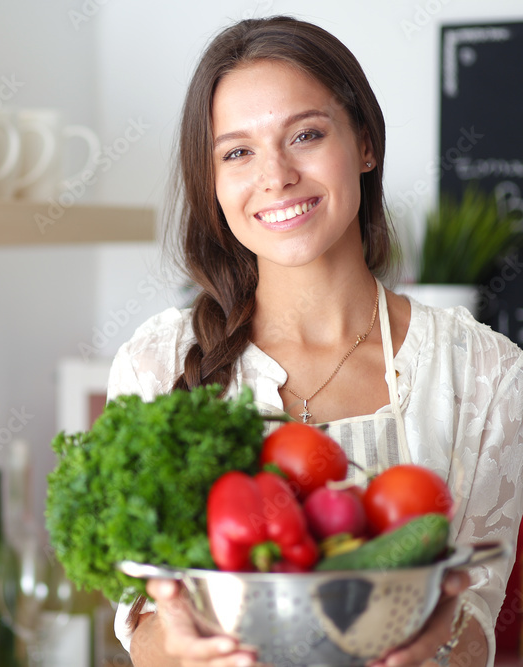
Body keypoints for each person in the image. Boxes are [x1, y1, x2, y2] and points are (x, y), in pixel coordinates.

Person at [106, 15, 523, 667]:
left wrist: (443, 642)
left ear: (363, 143)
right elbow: (143, 624)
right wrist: (182, 652)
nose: (275, 176)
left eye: (305, 134)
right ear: (212, 183)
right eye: (237, 151)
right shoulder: (157, 365)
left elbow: (479, 619)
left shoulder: (485, 374)